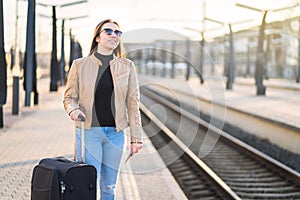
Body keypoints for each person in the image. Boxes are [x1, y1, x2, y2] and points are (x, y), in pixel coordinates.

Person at [63, 19, 143, 200]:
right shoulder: (79, 65)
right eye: (108, 31)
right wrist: (73, 110)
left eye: (117, 33)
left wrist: (136, 138)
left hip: (115, 134)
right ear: (97, 37)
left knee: (109, 187)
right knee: (88, 184)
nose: (114, 35)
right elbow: (69, 97)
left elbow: (133, 103)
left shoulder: (127, 66)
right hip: (88, 132)